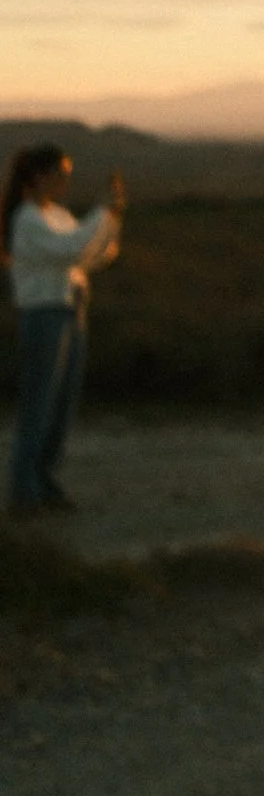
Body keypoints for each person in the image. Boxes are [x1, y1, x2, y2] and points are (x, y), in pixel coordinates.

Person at [5, 143, 124, 521]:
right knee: (39, 404)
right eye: (60, 174)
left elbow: (89, 255)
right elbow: (70, 248)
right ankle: (25, 492)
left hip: (72, 310)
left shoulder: (55, 214)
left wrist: (112, 222)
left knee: (61, 404)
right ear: (39, 177)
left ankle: (44, 483)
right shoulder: (27, 220)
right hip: (45, 314)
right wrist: (102, 215)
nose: (65, 182)